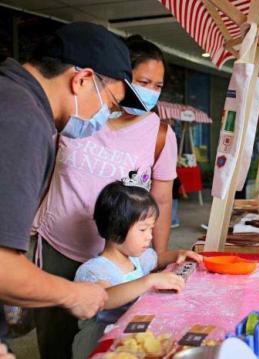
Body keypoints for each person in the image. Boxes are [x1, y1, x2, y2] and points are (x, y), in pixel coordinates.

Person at [32, 35, 193, 358]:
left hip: (120, 257)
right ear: (117, 78)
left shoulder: (160, 134)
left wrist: (154, 257)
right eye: (143, 81)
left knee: (110, 341)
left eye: (158, 85)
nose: (150, 91)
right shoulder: (79, 114)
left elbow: (161, 200)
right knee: (56, 343)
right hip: (59, 249)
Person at [0, 21, 147, 348]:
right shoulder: (23, 120)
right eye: (110, 107)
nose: (104, 120)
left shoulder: (11, 96)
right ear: (82, 80)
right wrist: (73, 294)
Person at [72, 180, 202, 359]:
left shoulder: (137, 258)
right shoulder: (93, 271)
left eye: (151, 229)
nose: (149, 236)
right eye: (142, 230)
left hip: (130, 340)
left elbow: (158, 259)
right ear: (116, 229)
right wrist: (149, 281)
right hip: (101, 345)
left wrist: (179, 254)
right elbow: (104, 299)